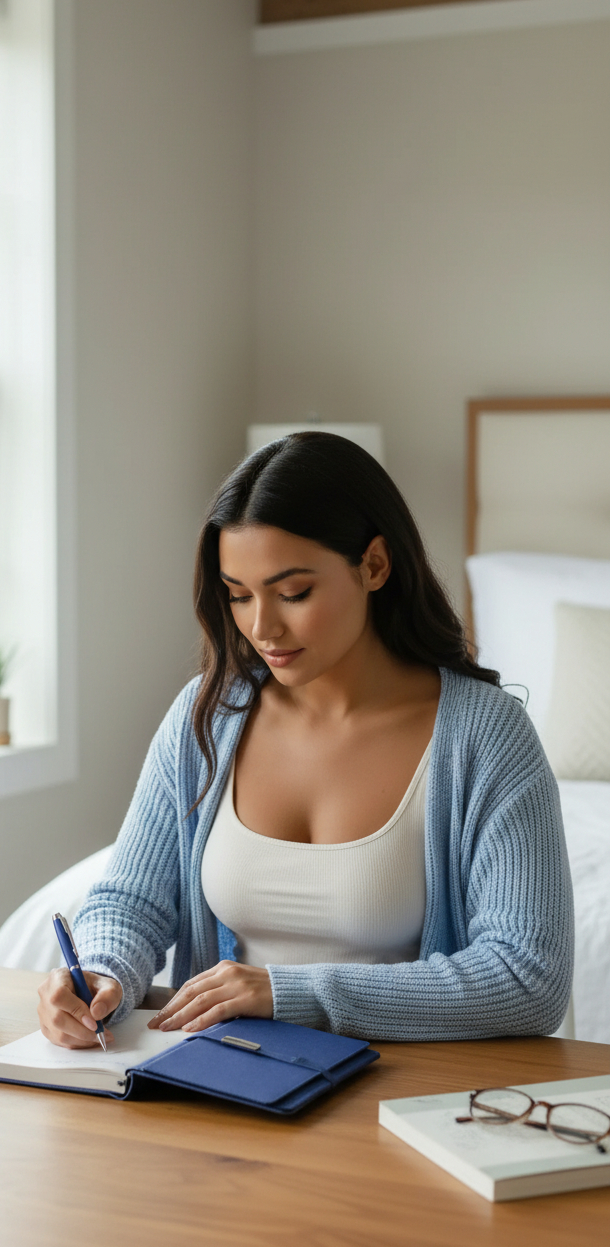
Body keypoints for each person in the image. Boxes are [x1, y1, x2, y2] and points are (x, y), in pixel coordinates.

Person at [37, 431, 573, 1049]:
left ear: (374, 565)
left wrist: (288, 992)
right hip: (226, 1083)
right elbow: (131, 900)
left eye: (293, 593)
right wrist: (101, 973)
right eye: (238, 595)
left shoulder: (486, 737)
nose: (262, 627)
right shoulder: (208, 716)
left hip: (402, 1093)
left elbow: (528, 979)